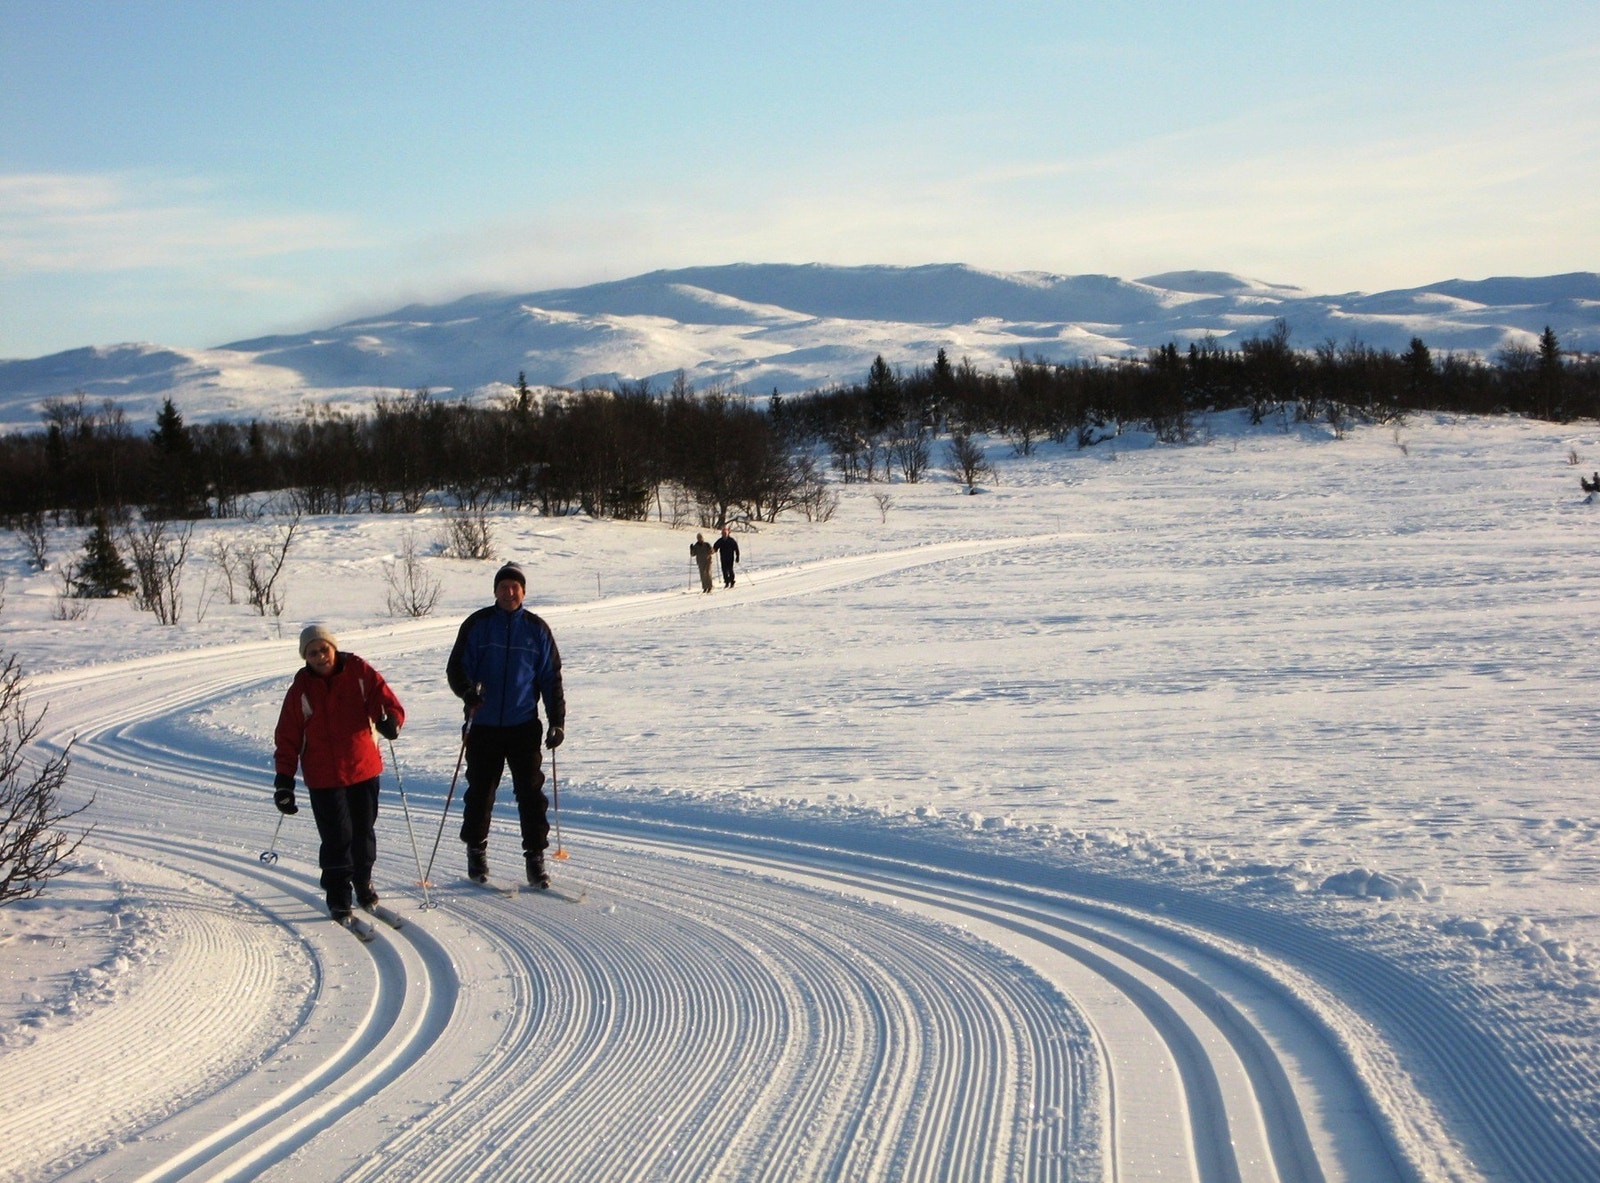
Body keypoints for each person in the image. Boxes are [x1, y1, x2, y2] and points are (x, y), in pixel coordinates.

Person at [273, 624, 405, 921]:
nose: (320, 657)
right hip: (324, 776)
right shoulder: (301, 691)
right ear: (305, 657)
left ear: (333, 648)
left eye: (324, 649)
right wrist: (284, 781)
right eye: (312, 653)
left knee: (363, 833)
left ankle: (363, 883)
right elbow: (288, 737)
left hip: (363, 768)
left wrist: (391, 722)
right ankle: (338, 896)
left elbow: (388, 704)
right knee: (337, 838)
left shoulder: (359, 673)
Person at [446, 561, 566, 888]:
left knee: (530, 792)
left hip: (523, 724)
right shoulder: (478, 624)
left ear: (523, 592)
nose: (509, 592)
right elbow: (457, 667)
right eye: (503, 587)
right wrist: (468, 692)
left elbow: (550, 679)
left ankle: (536, 858)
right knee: (481, 791)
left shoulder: (537, 629)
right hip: (483, 724)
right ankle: (476, 851)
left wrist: (556, 722)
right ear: (495, 591)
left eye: (515, 587)